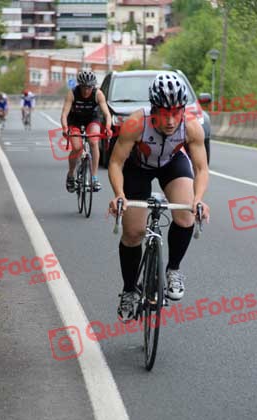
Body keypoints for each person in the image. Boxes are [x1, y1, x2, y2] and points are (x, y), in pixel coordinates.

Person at [108, 73, 210, 323]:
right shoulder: (136, 123)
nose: (171, 120)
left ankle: (173, 268)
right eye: (165, 113)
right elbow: (115, 162)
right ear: (153, 108)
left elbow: (201, 169)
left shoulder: (191, 127)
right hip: (137, 167)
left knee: (186, 215)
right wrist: (119, 195)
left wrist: (198, 198)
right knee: (133, 233)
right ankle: (130, 290)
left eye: (177, 112)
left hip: (171, 164)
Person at [61, 69, 112, 193]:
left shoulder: (98, 94)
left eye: (89, 87)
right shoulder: (72, 93)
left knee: (94, 142)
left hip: (92, 120)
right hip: (75, 121)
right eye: (83, 87)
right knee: (77, 147)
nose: (86, 90)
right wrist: (65, 128)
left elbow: (107, 114)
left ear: (93, 86)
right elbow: (64, 114)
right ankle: (71, 175)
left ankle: (94, 178)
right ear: (79, 85)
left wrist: (108, 128)